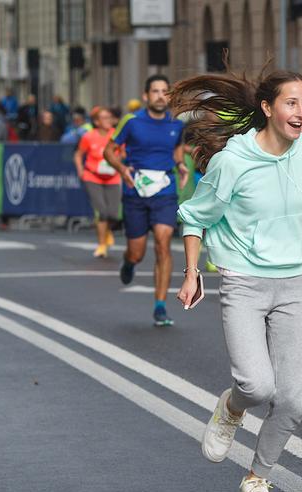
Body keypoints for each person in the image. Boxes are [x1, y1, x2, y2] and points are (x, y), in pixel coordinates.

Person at [172, 68, 302, 492]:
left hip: (293, 281)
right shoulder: (233, 161)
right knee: (256, 386)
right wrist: (191, 271)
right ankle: (232, 408)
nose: (301, 113)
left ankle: (258, 479)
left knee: (294, 400)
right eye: (291, 104)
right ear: (267, 108)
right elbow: (196, 215)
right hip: (242, 280)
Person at [104, 75, 189, 327]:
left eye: (165, 91)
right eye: (155, 91)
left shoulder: (176, 123)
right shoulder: (131, 121)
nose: (160, 95)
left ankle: (160, 306)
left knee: (163, 244)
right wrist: (122, 169)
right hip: (135, 193)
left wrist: (181, 165)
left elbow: (176, 149)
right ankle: (129, 262)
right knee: (138, 252)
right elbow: (109, 150)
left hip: (165, 191)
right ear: (145, 95)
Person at [75, 106, 122, 258]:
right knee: (102, 211)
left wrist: (119, 162)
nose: (108, 120)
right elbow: (78, 154)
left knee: (113, 214)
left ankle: (107, 231)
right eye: (104, 118)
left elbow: (123, 152)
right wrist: (81, 170)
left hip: (113, 177)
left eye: (109, 117)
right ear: (96, 121)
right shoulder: (89, 136)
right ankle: (102, 244)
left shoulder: (116, 134)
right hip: (93, 176)